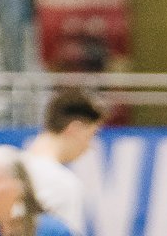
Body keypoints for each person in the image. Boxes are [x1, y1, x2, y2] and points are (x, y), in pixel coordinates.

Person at [21, 87, 104, 235]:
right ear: (75, 129)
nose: (89, 146)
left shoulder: (5, 170)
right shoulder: (63, 183)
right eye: (91, 135)